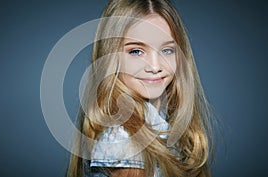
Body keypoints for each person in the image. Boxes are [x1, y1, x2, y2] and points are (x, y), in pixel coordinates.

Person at [67, 0, 214, 176]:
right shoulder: (123, 138)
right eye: (136, 51)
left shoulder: (164, 124)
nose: (154, 66)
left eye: (166, 50)